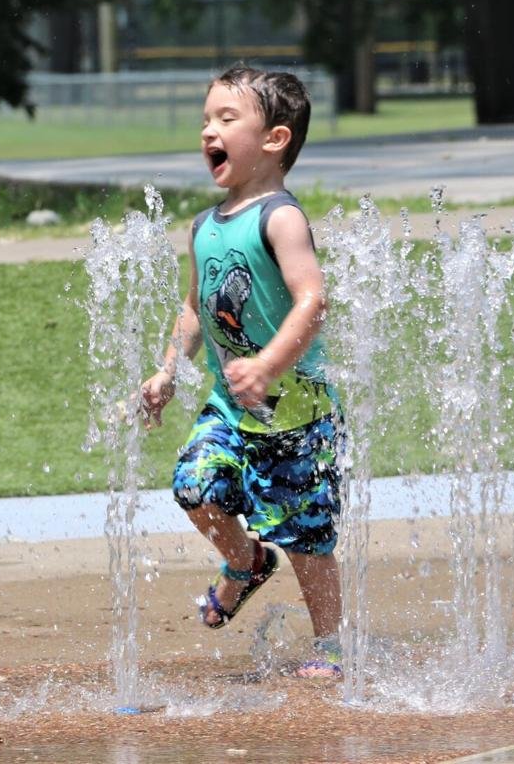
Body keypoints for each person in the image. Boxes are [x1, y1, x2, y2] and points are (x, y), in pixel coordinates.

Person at [140, 65, 344, 678]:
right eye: (206, 120)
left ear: (275, 140)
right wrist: (168, 370)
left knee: (308, 538)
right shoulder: (204, 226)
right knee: (193, 484)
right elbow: (194, 307)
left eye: (227, 119)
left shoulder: (280, 218)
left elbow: (312, 298)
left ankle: (332, 642)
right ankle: (245, 562)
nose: (209, 130)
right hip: (231, 407)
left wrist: (267, 364)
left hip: (297, 412)